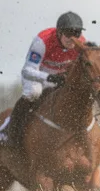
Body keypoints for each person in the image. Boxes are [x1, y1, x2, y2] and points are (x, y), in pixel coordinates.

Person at [6, 12, 86, 148]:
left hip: (60, 79)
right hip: (38, 76)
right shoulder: (42, 41)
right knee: (34, 93)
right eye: (68, 34)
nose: (72, 39)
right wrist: (49, 77)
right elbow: (27, 71)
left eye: (76, 33)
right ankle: (12, 132)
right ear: (59, 33)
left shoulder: (81, 45)